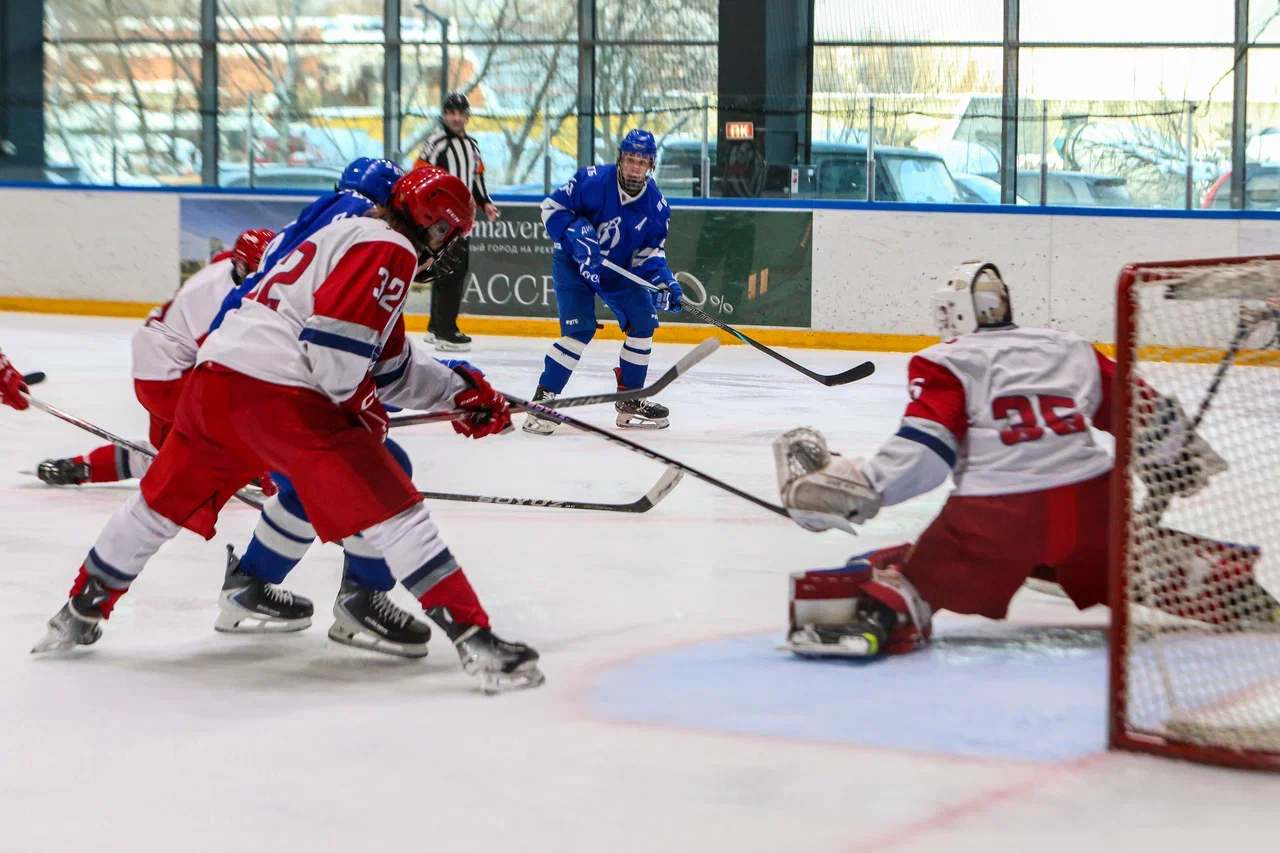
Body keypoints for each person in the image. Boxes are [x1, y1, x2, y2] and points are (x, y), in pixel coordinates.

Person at [31, 168, 545, 693]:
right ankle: (476, 640)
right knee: (395, 507)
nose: (447, 248)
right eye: (449, 235)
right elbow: (334, 359)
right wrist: (365, 415)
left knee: (157, 505)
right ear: (436, 226)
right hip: (279, 396)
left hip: (214, 385)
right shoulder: (391, 248)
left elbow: (392, 367)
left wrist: (459, 393)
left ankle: (78, 611)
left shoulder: (346, 230)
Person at [774, 260, 1276, 658]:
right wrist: (1177, 460)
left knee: (912, 576)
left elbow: (927, 449)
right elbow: (1141, 410)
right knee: (1130, 560)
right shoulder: (1070, 347)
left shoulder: (945, 360)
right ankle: (1232, 591)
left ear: (952, 312)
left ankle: (878, 618)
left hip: (997, 516)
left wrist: (862, 487)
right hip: (1091, 503)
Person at [36, 228, 275, 487]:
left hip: (157, 367)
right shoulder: (225, 305)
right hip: (167, 382)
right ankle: (261, 467)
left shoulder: (228, 265)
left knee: (163, 456)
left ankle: (82, 467)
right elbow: (230, 372)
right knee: (247, 399)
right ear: (240, 266)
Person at [523, 128, 684, 434]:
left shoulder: (656, 206)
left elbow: (649, 256)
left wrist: (665, 283)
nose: (635, 166)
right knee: (579, 331)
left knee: (643, 323)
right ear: (620, 158)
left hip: (617, 270)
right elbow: (550, 209)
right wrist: (573, 231)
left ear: (651, 165)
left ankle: (630, 402)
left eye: (642, 161)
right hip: (574, 264)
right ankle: (543, 402)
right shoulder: (592, 180)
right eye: (630, 159)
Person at [415, 91, 499, 353]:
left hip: (463, 218)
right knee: (449, 271)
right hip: (439, 220)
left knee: (450, 271)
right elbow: (417, 175)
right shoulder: (435, 143)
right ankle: (446, 332)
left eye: (460, 113)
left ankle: (435, 326)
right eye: (451, 113)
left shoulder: (472, 146)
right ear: (444, 115)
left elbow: (477, 179)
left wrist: (485, 202)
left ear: (467, 116)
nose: (455, 118)